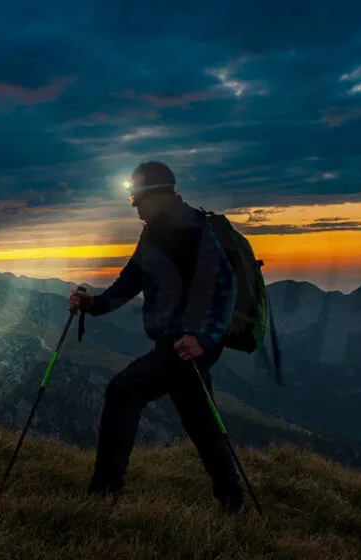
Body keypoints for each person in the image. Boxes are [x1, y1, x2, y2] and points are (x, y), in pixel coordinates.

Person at [69, 161, 244, 512]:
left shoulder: (190, 227)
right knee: (199, 420)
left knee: (122, 391)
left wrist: (204, 339)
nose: (134, 206)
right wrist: (94, 305)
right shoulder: (154, 231)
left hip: (187, 345)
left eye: (137, 198)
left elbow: (225, 285)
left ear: (157, 194)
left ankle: (104, 493)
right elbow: (130, 281)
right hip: (177, 344)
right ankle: (232, 500)